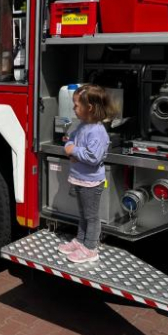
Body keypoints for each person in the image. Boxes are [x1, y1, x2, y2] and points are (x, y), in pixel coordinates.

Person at [57, 84, 113, 264]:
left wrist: (74, 152)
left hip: (91, 182)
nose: (74, 108)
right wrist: (70, 149)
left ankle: (90, 248)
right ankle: (80, 240)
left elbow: (93, 157)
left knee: (91, 216)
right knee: (82, 214)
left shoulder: (97, 131)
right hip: (80, 179)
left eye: (76, 105)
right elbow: (70, 141)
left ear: (89, 108)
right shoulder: (82, 126)